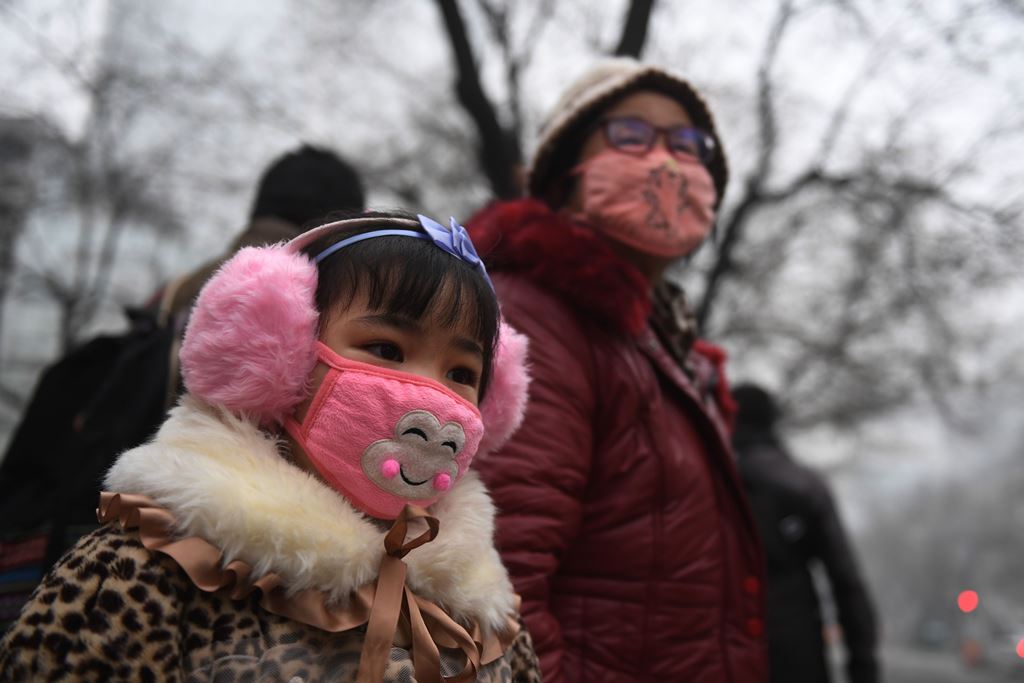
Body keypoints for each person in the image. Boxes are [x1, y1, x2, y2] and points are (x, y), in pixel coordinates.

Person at [0, 212, 540, 682]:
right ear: (281, 355)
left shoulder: (485, 615)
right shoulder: (153, 566)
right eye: (386, 347)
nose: (435, 397)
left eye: (461, 372)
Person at [465, 58, 768, 681]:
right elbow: (495, 584)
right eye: (631, 134)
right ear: (565, 174)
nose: (666, 162)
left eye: (689, 145)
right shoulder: (537, 318)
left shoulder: (661, 346)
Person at [0, 144, 367, 625]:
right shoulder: (327, 337)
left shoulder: (158, 315)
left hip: (73, 603)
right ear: (346, 225)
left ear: (258, 206)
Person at [731, 383, 880, 683]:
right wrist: (862, 666)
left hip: (722, 649)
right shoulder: (804, 486)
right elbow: (846, 581)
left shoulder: (710, 484)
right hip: (795, 651)